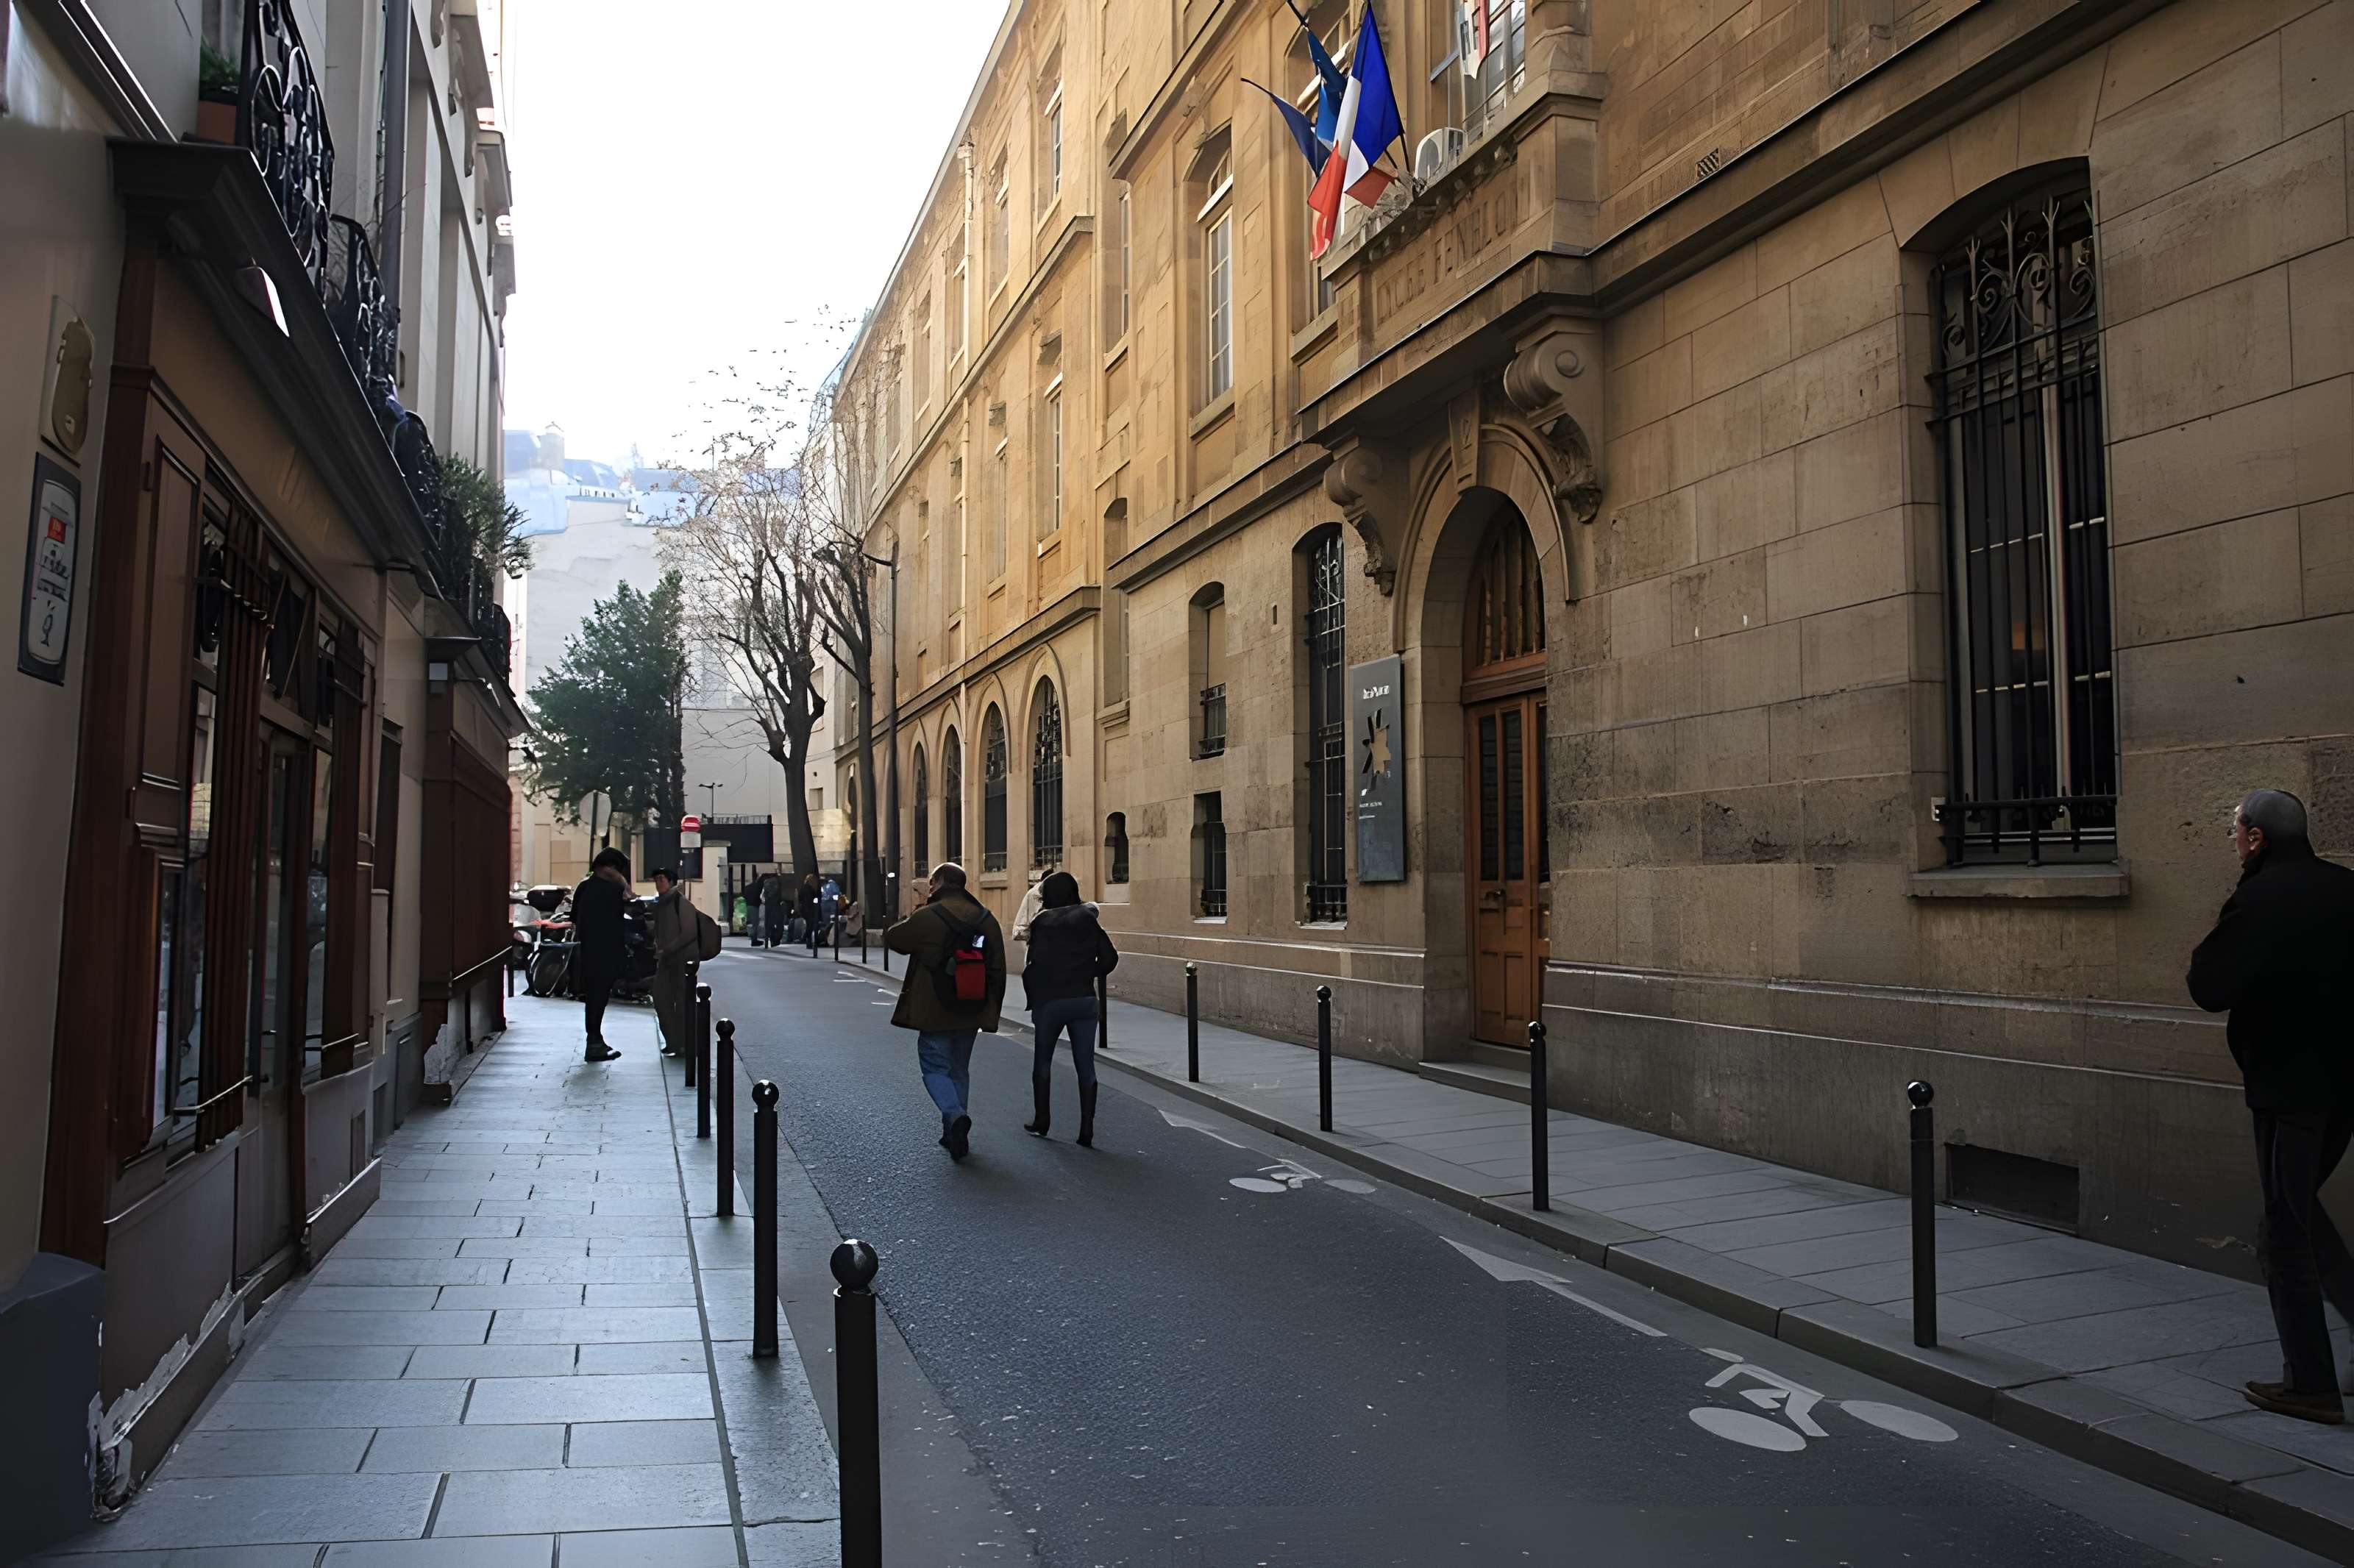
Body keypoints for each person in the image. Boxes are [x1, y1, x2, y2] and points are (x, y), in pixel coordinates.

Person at [2188, 788, 2354, 1426]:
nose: (2233, 843)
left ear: (2255, 838)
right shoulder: (2345, 888)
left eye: (2235, 832)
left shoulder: (2258, 899)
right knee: (2301, 1211)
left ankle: (2310, 1383)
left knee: (2284, 1231)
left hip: (2289, 1091)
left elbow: (2208, 985)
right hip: (2342, 1088)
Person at [885, 862, 1006, 1161]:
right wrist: (991, 1013)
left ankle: (953, 1115)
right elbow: (998, 969)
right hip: (971, 1006)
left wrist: (920, 910)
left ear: (937, 883)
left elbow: (894, 938)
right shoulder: (985, 918)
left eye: (930, 882)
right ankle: (952, 1132)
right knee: (959, 1069)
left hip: (935, 1007)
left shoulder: (928, 916)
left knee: (935, 1066)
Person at [1020, 871, 1118, 1146]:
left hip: (1051, 1002)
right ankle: (1086, 1131)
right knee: (1086, 1066)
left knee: (1043, 1062)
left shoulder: (1042, 923)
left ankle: (1042, 1121)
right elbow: (1111, 958)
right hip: (1084, 999)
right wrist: (1088, 972)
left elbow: (1034, 962)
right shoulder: (1088, 918)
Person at [570, 848, 632, 1062]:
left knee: (593, 997)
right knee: (599, 997)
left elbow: (575, 918)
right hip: (606, 951)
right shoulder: (613, 889)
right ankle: (594, 1042)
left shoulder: (584, 887)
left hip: (588, 951)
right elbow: (625, 910)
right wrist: (622, 882)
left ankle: (595, 1039)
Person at [647, 869, 697, 1059]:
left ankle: (685, 1043)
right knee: (661, 1000)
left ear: (671, 881)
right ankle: (673, 1042)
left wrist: (669, 949)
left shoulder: (680, 902)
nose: (658, 883)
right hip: (666, 960)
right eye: (656, 879)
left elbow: (689, 932)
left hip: (683, 961)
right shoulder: (659, 904)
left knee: (683, 1003)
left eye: (662, 879)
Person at [799, 872, 824, 956]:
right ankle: (807, 939)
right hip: (810, 910)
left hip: (805, 910)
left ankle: (808, 941)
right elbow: (813, 899)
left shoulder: (803, 888)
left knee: (810, 925)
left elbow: (800, 899)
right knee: (812, 926)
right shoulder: (811, 890)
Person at [763, 871, 788, 949]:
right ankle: (775, 940)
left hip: (769, 907)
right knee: (779, 925)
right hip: (776, 906)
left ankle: (772, 940)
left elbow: (765, 895)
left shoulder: (766, 883)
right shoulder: (777, 882)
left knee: (770, 925)